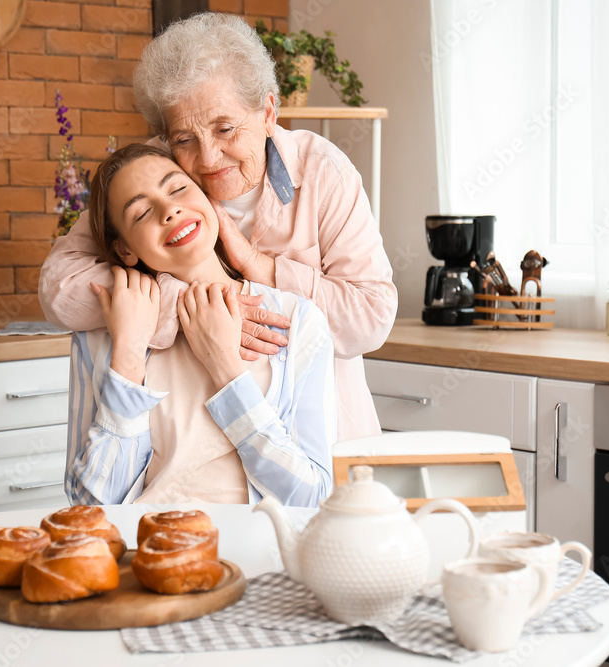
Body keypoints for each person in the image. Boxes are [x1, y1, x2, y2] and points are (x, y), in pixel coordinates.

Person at [40, 12, 397, 441]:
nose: (207, 159)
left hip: (328, 444)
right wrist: (189, 304)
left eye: (225, 128)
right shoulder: (157, 169)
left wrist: (258, 269)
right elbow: (60, 289)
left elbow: (371, 319)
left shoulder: (324, 172)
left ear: (267, 111)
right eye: (185, 139)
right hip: (204, 449)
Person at [66, 143, 336, 506]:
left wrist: (225, 367)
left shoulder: (296, 320)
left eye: (178, 189)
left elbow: (312, 497)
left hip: (261, 557)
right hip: (149, 551)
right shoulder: (107, 330)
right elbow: (88, 506)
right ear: (125, 251)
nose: (170, 209)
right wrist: (128, 355)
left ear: (208, 199)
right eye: (143, 212)